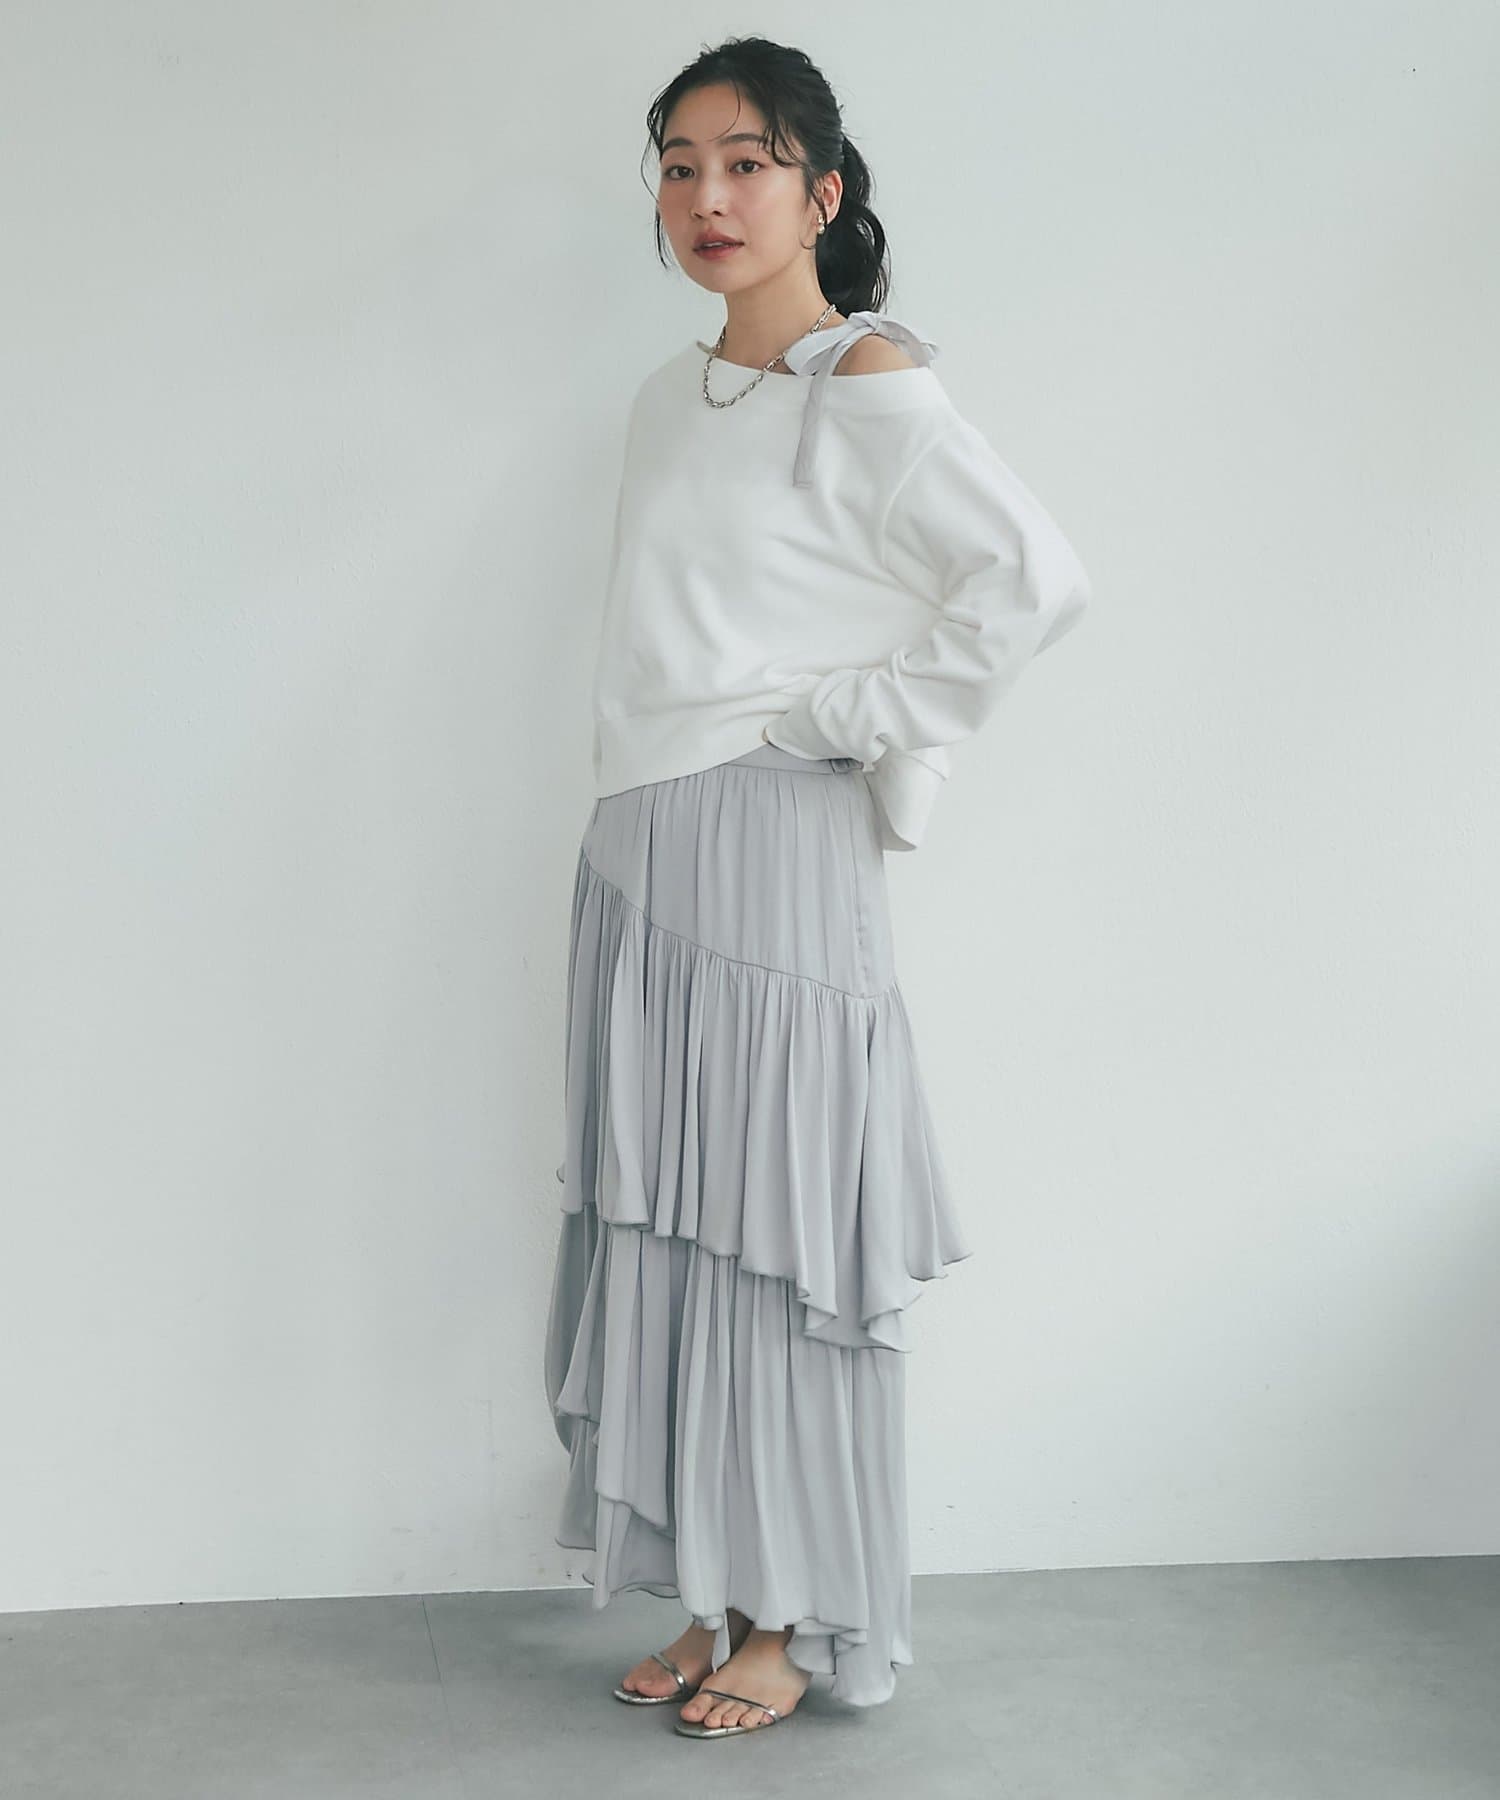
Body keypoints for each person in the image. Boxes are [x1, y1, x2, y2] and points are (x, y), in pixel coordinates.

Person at [542, 34, 1091, 1742]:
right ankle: (716, 1593)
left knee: (775, 1233)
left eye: (747, 163)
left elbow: (1032, 581)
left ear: (819, 189)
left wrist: (841, 718)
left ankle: (792, 1620)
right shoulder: (669, 395)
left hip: (774, 849)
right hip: (642, 846)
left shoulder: (867, 373)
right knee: (677, 1229)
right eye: (679, 165)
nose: (708, 197)